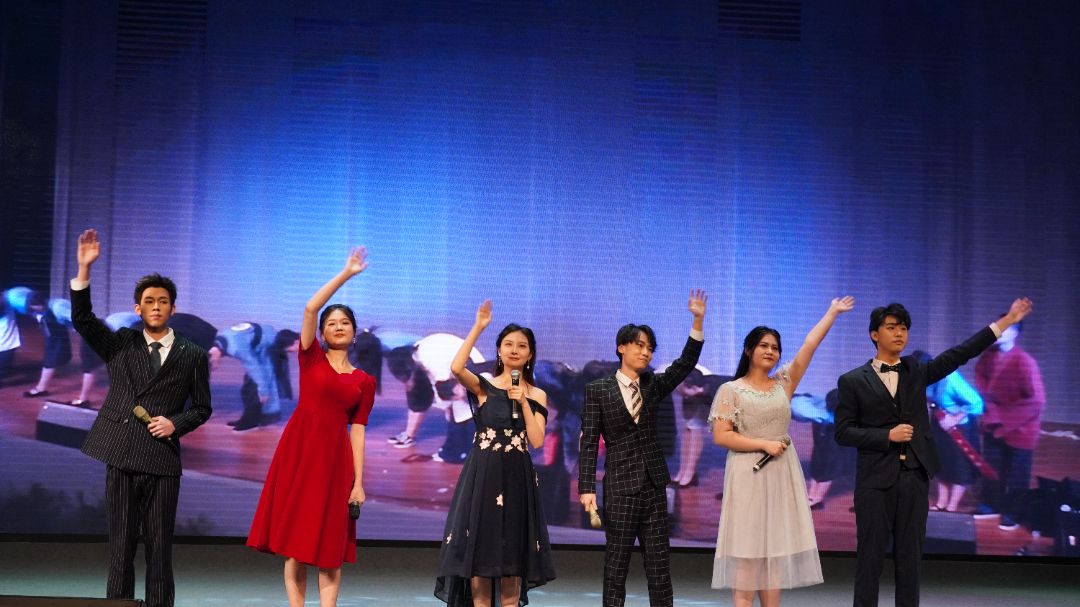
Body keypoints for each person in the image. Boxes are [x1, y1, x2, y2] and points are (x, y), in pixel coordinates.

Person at [835, 298, 1032, 607]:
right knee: (869, 560)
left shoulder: (917, 371)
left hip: (913, 478)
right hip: (874, 481)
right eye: (891, 327)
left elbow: (962, 352)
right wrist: (887, 435)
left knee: (910, 562)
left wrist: (1006, 321)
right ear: (874, 334)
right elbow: (844, 432)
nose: (899, 333)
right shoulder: (852, 381)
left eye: (903, 328)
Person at [69, 229, 212, 607]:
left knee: (160, 552)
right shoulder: (121, 343)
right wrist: (84, 270)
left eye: (163, 301)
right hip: (120, 455)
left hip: (162, 460)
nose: (156, 307)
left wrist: (175, 423)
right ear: (138, 309)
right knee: (120, 550)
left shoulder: (192, 354)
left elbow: (202, 407)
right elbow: (83, 319)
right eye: (149, 301)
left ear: (173, 309)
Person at [247, 247, 376, 607]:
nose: (338, 326)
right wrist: (346, 274)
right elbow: (309, 308)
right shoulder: (311, 358)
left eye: (345, 323)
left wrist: (359, 482)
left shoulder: (364, 381)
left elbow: (358, 431)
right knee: (296, 543)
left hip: (336, 462)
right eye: (331, 323)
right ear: (320, 333)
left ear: (354, 333)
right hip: (300, 454)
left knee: (330, 547)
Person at [709, 297, 853, 607]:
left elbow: (809, 346)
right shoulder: (730, 390)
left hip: (780, 472)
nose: (770, 351)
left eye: (775, 347)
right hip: (748, 473)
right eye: (763, 345)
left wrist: (831, 312)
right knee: (747, 551)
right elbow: (722, 436)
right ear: (748, 350)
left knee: (772, 553)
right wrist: (762, 444)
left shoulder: (783, 383)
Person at [578, 290, 708, 607]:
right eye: (639, 345)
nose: (646, 352)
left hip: (653, 485)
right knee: (616, 567)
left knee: (659, 569)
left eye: (650, 348)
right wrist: (586, 487)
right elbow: (590, 440)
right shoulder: (598, 390)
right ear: (621, 347)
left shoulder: (653, 384)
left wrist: (697, 320)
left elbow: (685, 363)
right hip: (620, 488)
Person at [435, 300, 556, 607]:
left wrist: (524, 402)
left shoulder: (537, 394)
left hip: (517, 478)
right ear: (499, 351)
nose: (514, 350)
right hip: (484, 475)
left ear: (530, 354)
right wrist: (478, 326)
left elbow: (537, 440)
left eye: (522, 346)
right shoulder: (485, 387)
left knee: (512, 557)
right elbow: (456, 368)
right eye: (508, 344)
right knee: (481, 553)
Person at [975, 318, 1046, 531]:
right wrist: (991, 411)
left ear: (1015, 333)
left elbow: (1037, 401)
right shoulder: (988, 356)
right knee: (992, 467)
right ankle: (991, 503)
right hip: (994, 421)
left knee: (1017, 473)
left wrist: (1003, 418)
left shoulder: (1025, 361)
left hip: (1021, 425)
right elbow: (981, 384)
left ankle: (1013, 512)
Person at [911, 351, 985, 513]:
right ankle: (941, 503)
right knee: (941, 463)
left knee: (959, 467)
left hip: (960, 426)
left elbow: (977, 402)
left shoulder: (951, 378)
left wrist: (955, 418)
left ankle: (952, 506)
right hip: (939, 421)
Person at [210, 323, 300, 431]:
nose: (214, 366)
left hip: (266, 345)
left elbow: (254, 367)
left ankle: (251, 422)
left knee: (255, 388)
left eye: (213, 363)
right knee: (249, 388)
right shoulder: (219, 341)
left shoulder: (236, 348)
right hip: (263, 339)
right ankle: (248, 419)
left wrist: (263, 391)